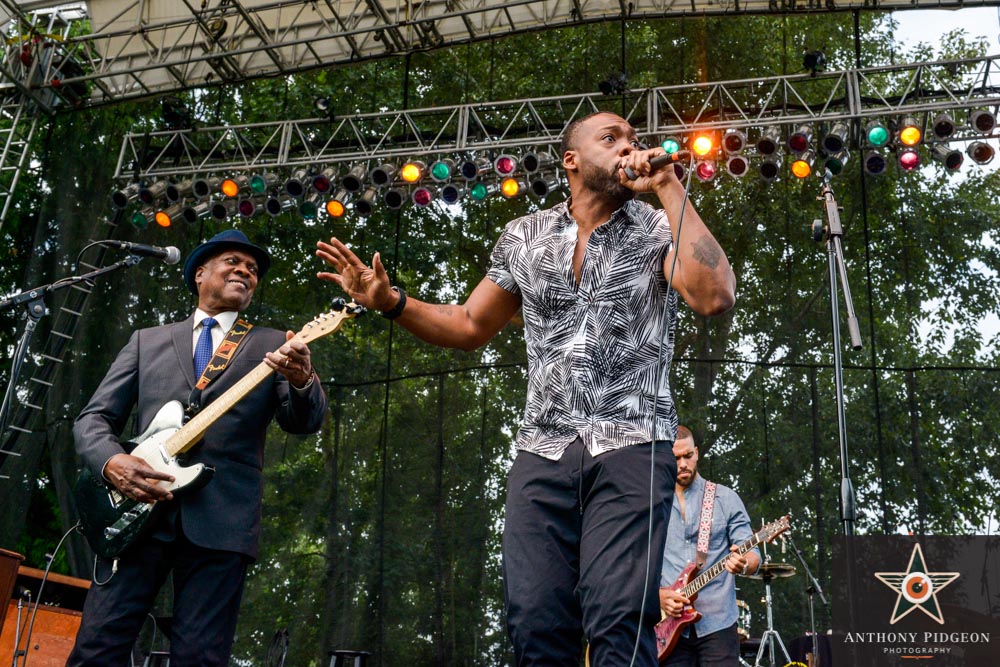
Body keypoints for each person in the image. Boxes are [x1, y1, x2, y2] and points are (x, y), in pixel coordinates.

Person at [316, 111, 736, 665]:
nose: (627, 147)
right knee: (535, 620)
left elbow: (713, 296)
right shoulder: (525, 235)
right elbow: (470, 324)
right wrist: (392, 303)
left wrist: (666, 184)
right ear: (571, 159)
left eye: (632, 139)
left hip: (636, 444)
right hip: (543, 451)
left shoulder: (661, 228)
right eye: (610, 138)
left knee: (619, 618)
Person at [68, 229, 328, 667]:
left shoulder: (273, 343)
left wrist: (303, 380)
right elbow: (93, 419)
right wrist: (112, 461)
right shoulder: (146, 341)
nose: (245, 271)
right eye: (233, 261)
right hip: (132, 515)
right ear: (200, 273)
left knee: (200, 657)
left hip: (222, 521)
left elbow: (303, 421)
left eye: (252, 269)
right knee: (97, 647)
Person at [659, 426, 761, 667]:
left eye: (687, 456)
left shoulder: (724, 499)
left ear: (696, 453)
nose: (683, 463)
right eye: (676, 458)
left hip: (717, 625)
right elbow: (637, 561)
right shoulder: (654, 504)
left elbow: (752, 554)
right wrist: (659, 596)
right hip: (666, 627)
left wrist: (744, 563)